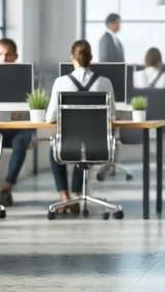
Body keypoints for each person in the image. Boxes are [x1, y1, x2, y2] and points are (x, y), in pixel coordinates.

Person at [46, 40, 115, 213]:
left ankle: (65, 198)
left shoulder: (60, 82)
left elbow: (49, 117)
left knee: (55, 146)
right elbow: (112, 116)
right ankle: (77, 193)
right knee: (84, 143)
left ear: (72, 58)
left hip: (67, 146)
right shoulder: (105, 82)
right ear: (91, 58)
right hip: (98, 146)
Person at [0, 38, 34, 207]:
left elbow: (33, 106)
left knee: (22, 141)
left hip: (18, 128)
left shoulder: (25, 76)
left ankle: (7, 187)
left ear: (15, 56)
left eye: (8, 54)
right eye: (0, 54)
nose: (4, 58)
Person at [132, 47, 165, 119]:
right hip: (162, 126)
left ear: (145, 61)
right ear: (160, 62)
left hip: (140, 125)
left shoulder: (135, 76)